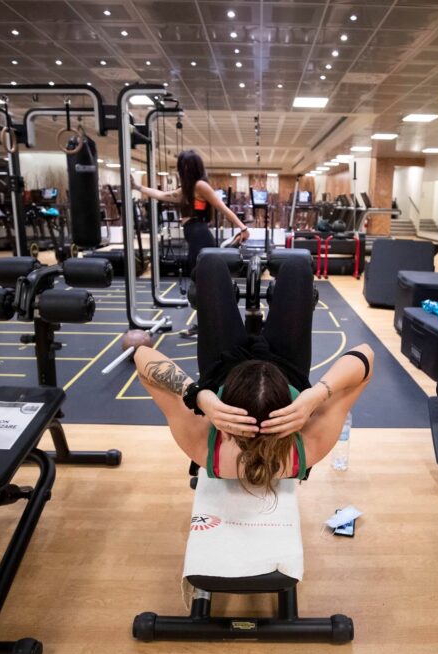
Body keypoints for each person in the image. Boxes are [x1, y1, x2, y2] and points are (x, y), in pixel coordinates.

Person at [134, 253, 373, 498]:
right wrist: (316, 395)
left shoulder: (201, 444)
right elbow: (366, 355)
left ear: (224, 407)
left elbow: (142, 356)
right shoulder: (309, 445)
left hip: (224, 366)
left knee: (210, 265)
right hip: (286, 366)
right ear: (289, 403)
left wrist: (197, 396)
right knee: (297, 267)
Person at [130, 150, 250, 337]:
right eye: (182, 167)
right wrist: (138, 187)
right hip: (195, 238)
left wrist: (243, 228)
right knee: (200, 283)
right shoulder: (187, 189)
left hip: (200, 237)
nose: (183, 171)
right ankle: (205, 325)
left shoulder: (200, 185)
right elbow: (161, 195)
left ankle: (208, 326)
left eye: (186, 167)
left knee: (203, 283)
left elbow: (222, 207)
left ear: (193, 168)